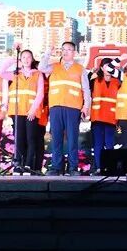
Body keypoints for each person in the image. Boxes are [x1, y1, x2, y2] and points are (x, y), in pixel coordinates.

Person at [39, 41, 91, 176]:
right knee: (56, 138)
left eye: (69, 49)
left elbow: (86, 89)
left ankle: (73, 167)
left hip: (73, 107)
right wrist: (48, 53)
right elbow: (41, 67)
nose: (65, 52)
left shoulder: (80, 69)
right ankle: (57, 167)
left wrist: (86, 106)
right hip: (56, 106)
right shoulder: (54, 66)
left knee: (72, 139)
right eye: (63, 49)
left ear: (74, 53)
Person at [2, 49, 45, 175]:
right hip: (17, 111)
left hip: (31, 112)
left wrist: (33, 110)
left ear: (32, 59)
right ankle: (18, 165)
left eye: (28, 57)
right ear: (20, 60)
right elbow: (0, 72)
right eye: (23, 57)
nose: (26, 60)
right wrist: (13, 59)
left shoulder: (37, 74)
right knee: (19, 139)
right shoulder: (15, 74)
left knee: (31, 138)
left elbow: (40, 93)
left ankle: (28, 165)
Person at [88, 57, 121, 175]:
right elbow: (85, 84)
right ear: (101, 68)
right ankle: (99, 168)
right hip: (97, 117)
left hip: (111, 118)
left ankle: (110, 168)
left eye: (110, 66)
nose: (108, 69)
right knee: (98, 144)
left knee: (109, 143)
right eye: (105, 66)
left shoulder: (117, 82)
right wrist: (92, 72)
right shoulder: (94, 80)